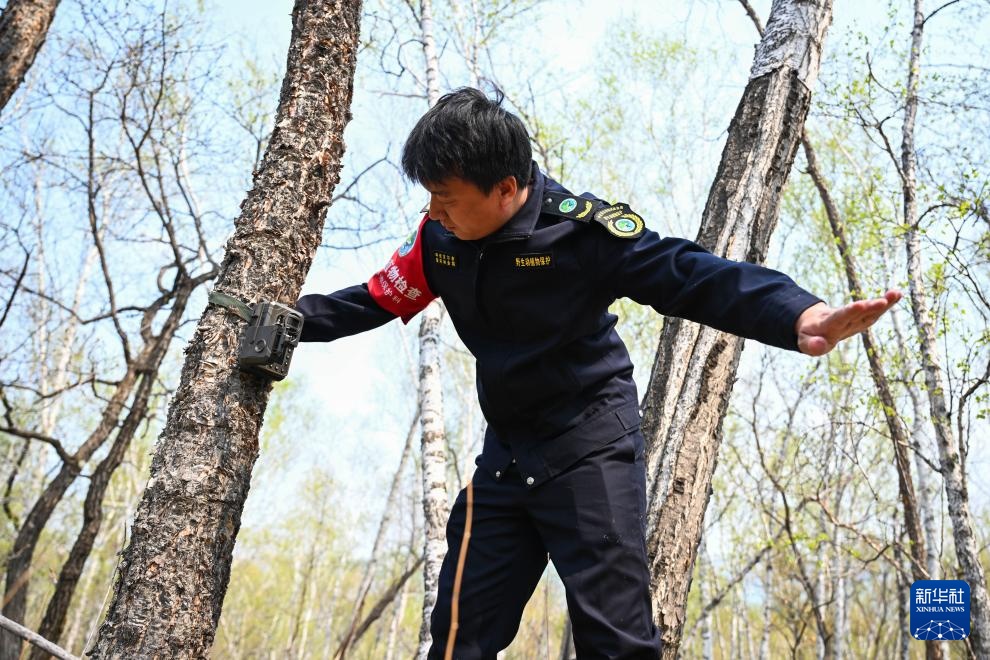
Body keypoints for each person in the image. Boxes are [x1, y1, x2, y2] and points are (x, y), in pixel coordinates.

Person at [295, 88, 901, 659]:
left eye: (447, 197)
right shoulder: (439, 241)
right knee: (458, 635)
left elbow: (688, 273)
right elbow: (377, 298)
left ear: (506, 188)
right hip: (506, 460)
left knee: (615, 642)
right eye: (430, 196)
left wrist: (800, 314)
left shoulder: (581, 233)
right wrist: (286, 322)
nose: (434, 212)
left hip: (590, 449)